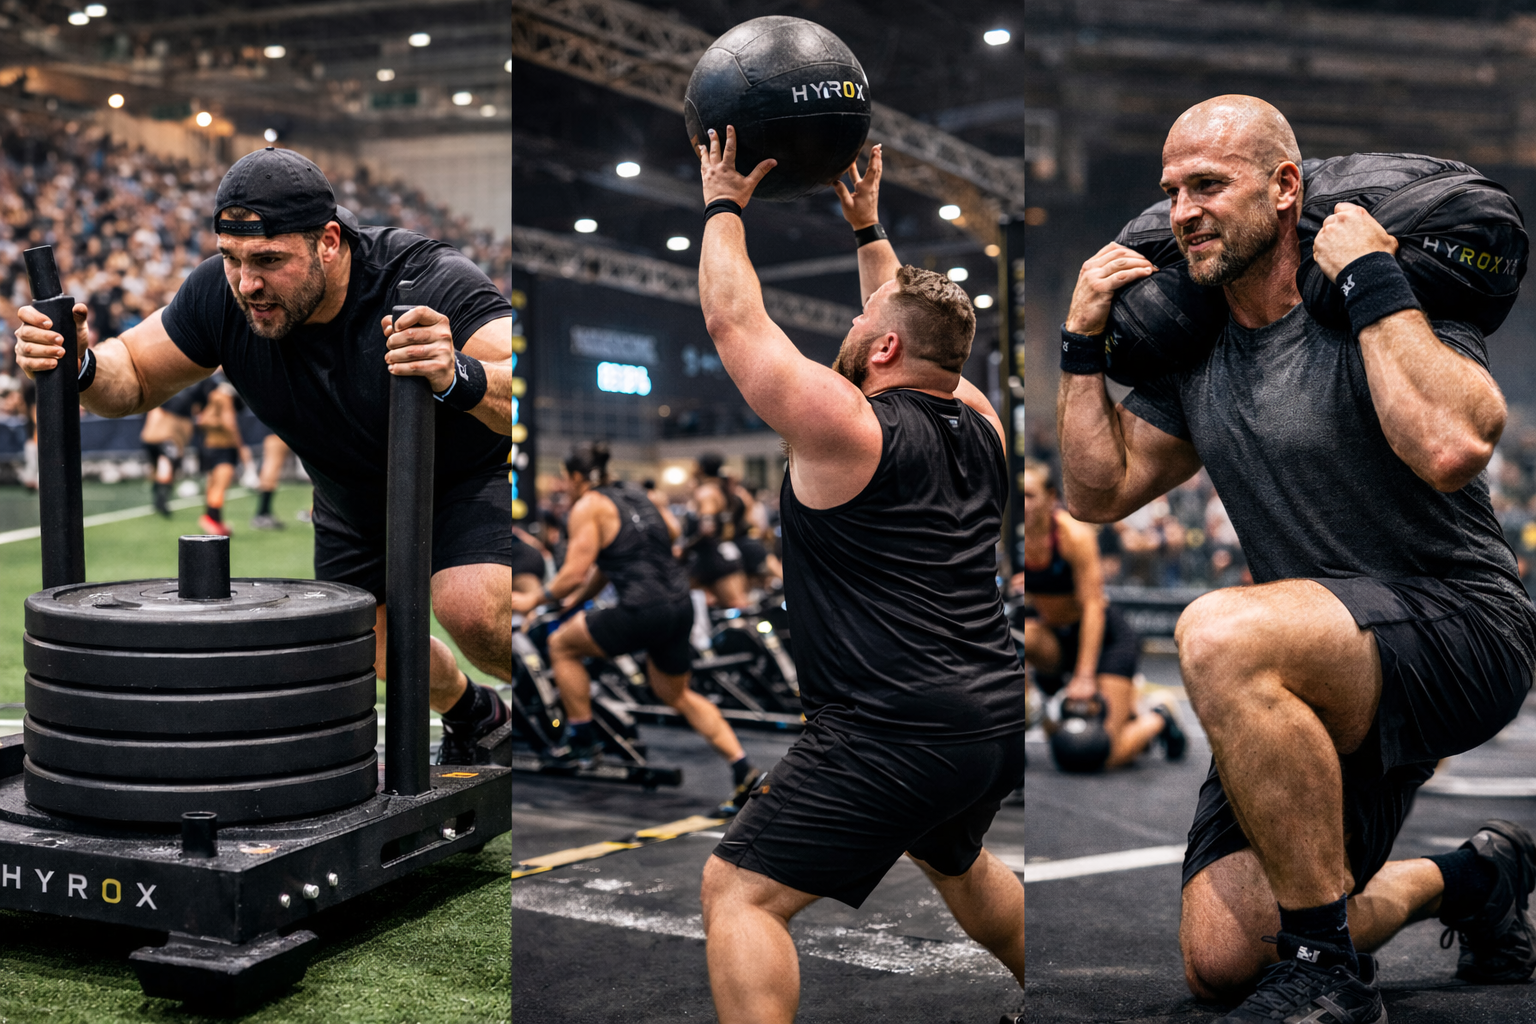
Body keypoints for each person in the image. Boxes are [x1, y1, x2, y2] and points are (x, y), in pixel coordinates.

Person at [1056, 94, 1536, 1023]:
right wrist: (1081, 347)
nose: (1183, 210)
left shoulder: (1387, 303)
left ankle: (1326, 974)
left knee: (1221, 632)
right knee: (1225, 963)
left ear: (1285, 188)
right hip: (1321, 659)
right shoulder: (1194, 354)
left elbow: (1451, 446)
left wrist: (1374, 283)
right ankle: (1473, 875)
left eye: (1208, 185)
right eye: (1171, 191)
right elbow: (1097, 493)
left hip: (1460, 628)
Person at [14, 145, 515, 765]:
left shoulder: (427, 278)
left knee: (469, 612)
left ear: (328, 242)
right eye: (232, 260)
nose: (248, 283)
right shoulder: (220, 297)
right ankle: (479, 714)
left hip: (464, 474)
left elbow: (517, 386)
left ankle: (546, 694)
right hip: (349, 494)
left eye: (270, 260)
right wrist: (80, 360)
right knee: (369, 644)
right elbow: (135, 376)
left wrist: (457, 372)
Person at [694, 133, 1027, 1023]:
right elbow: (906, 316)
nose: (844, 328)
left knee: (737, 894)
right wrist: (868, 227)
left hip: (892, 728)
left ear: (880, 349)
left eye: (856, 325)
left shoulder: (847, 428)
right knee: (959, 866)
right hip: (991, 715)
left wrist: (722, 201)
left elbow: (734, 322)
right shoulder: (984, 418)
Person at [509, 443, 762, 815]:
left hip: (641, 609)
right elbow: (667, 535)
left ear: (577, 477)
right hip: (679, 605)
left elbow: (573, 573)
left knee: (562, 644)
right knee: (676, 694)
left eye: (566, 479)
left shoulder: (588, 505)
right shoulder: (638, 494)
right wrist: (577, 601)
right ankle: (744, 769)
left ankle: (581, 737)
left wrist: (536, 600)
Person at [1015, 457, 1186, 768]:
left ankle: (1159, 716)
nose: (1022, 504)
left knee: (1100, 754)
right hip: (1057, 638)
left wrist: (1083, 677)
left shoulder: (1073, 536)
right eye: (1018, 496)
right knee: (1012, 634)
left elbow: (1094, 607)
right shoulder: (1013, 537)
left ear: (1051, 497)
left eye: (1030, 495)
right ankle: (1033, 705)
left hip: (1105, 641)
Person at [687, 452, 750, 610]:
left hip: (712, 558)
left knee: (738, 608)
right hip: (725, 554)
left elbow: (707, 529)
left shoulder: (707, 492)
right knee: (738, 607)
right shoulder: (724, 489)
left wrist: (683, 548)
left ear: (700, 469)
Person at [193, 372, 248, 537]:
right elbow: (230, 424)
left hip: (209, 447)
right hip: (224, 448)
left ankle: (215, 520)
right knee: (220, 486)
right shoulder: (224, 397)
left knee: (213, 484)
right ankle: (212, 520)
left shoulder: (214, 398)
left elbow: (202, 421)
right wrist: (242, 449)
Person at [139, 380, 203, 517]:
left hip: (150, 438)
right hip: (165, 439)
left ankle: (158, 501)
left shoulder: (160, 398)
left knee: (158, 468)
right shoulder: (182, 404)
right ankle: (161, 502)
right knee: (165, 469)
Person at [250, 430, 292, 530]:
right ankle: (262, 514)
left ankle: (263, 513)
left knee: (271, 466)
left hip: (274, 430)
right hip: (278, 430)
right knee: (272, 466)